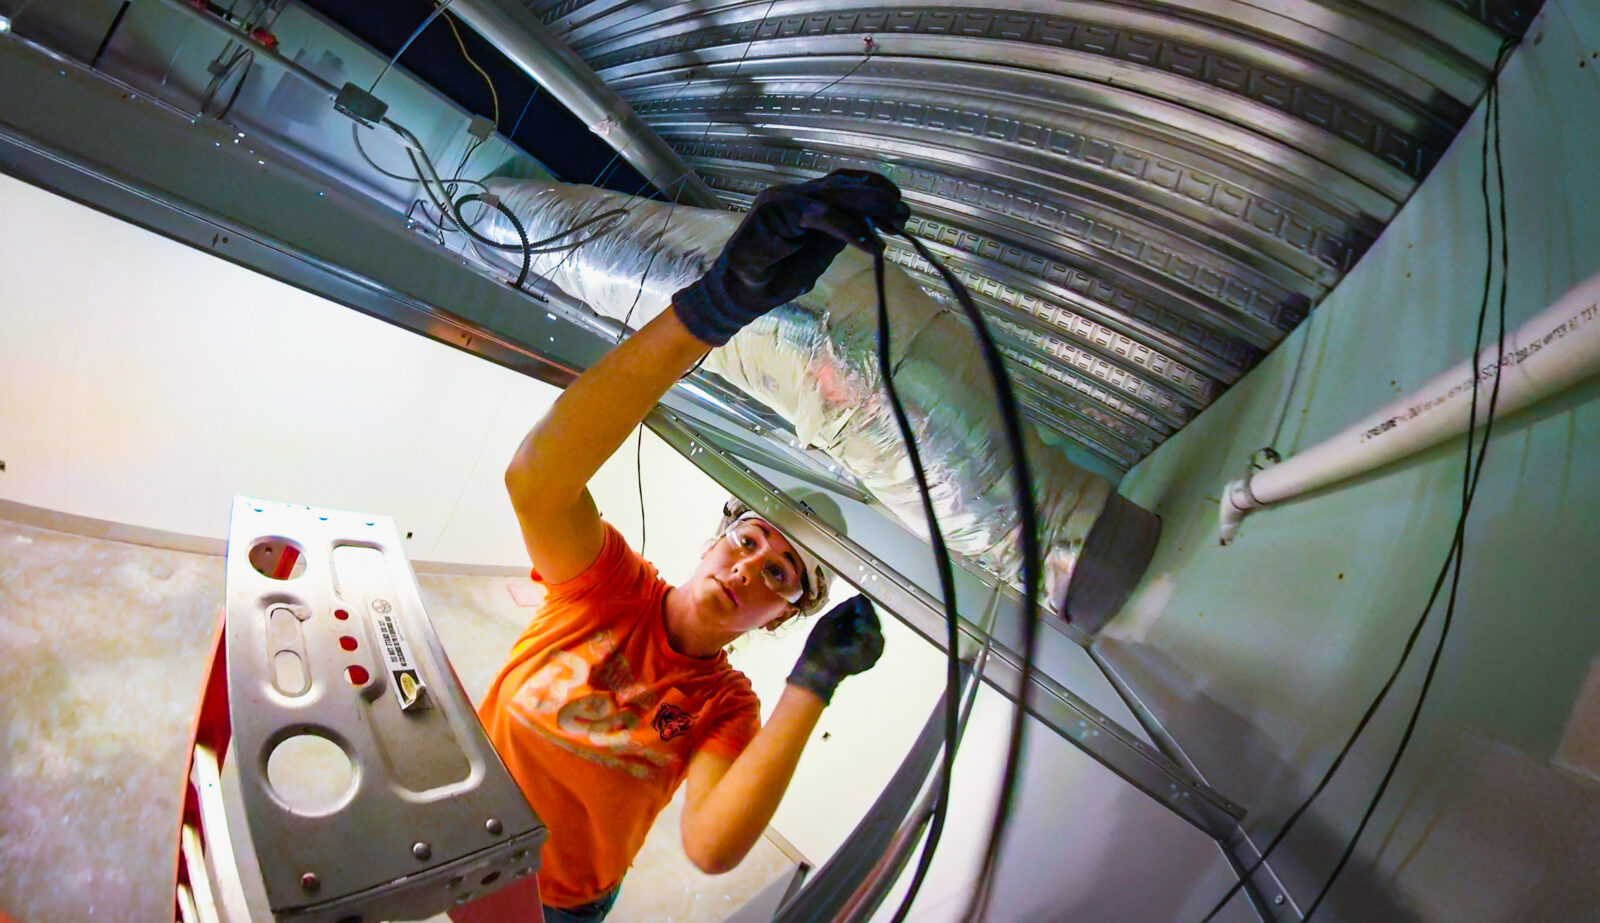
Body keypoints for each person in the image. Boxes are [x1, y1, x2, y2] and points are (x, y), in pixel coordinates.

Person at [450, 170, 911, 922]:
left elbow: (709, 845)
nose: (751, 569)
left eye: (780, 577)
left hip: (557, 905)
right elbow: (536, 480)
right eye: (750, 540)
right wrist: (712, 308)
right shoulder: (607, 586)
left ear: (778, 618)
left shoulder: (724, 706)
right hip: (453, 840)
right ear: (715, 539)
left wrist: (815, 681)